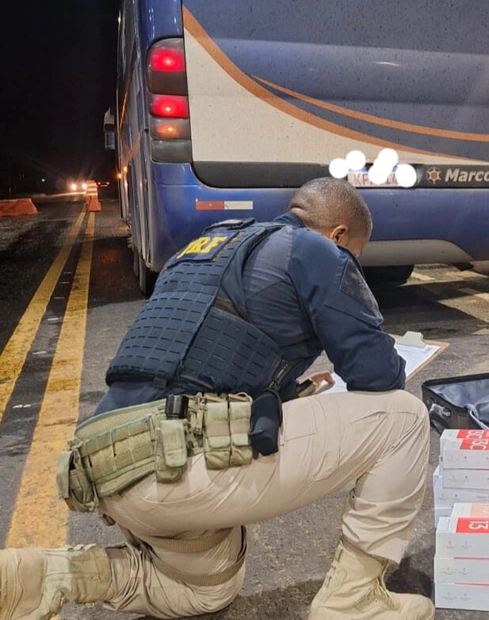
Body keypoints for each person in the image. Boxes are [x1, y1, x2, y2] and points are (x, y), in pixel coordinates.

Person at [0, 179, 433, 620]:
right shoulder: (315, 250)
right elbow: (377, 374)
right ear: (339, 235)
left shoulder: (209, 246)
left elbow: (200, 363)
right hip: (172, 464)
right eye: (353, 254)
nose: (350, 262)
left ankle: (46, 574)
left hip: (107, 468)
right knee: (404, 418)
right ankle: (354, 599)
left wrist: (295, 391)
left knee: (203, 592)